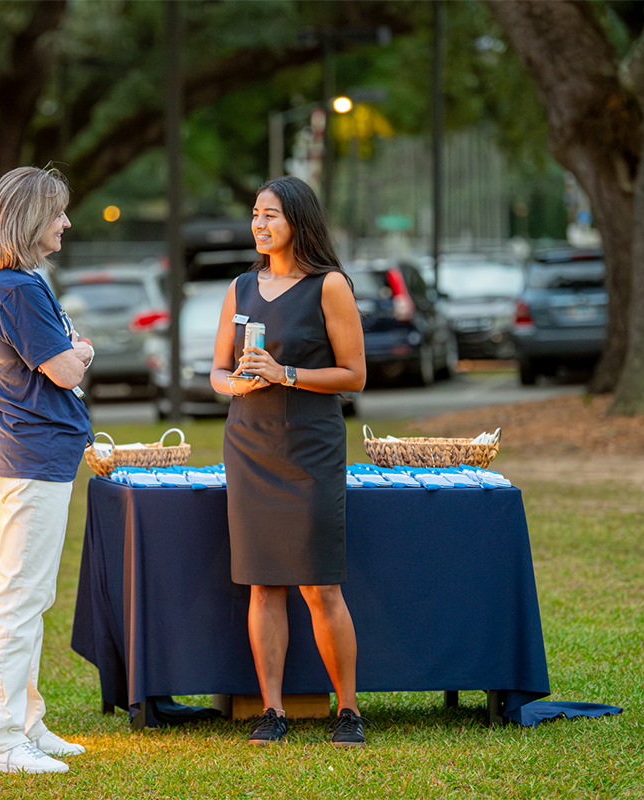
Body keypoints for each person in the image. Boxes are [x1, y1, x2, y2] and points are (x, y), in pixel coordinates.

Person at [210, 176, 369, 747]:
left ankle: (347, 710)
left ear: (298, 222)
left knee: (320, 585)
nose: (259, 224)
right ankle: (272, 711)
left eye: (270, 215)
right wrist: (237, 385)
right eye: (255, 214)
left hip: (309, 449)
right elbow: (216, 372)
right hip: (250, 447)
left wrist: (287, 375)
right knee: (263, 584)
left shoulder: (329, 287)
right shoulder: (240, 287)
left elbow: (354, 375)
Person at [0, 166, 94, 774]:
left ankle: (28, 723)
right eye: (57, 213)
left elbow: (62, 358)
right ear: (29, 218)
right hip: (33, 456)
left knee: (32, 594)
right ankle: (1, 743)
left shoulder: (22, 282)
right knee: (21, 599)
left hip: (37, 454)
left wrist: (71, 350)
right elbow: (67, 370)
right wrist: (78, 351)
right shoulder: (17, 288)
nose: (66, 223)